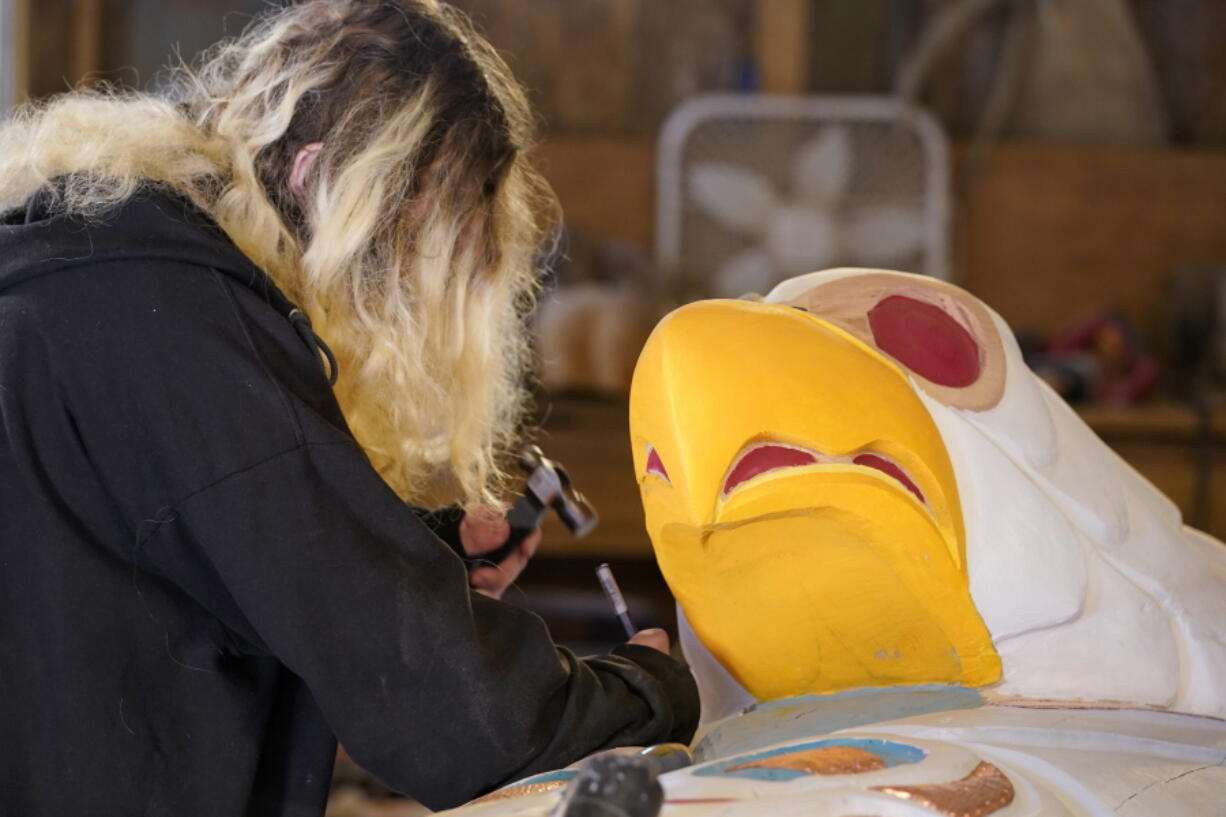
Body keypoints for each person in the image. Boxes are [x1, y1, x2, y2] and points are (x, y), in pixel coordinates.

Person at [0, 2, 698, 815]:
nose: (401, 298)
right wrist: (649, 688)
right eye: (409, 253)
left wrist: (404, 560)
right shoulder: (187, 328)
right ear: (316, 182)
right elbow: (455, 722)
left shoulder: (99, 269)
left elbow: (200, 552)